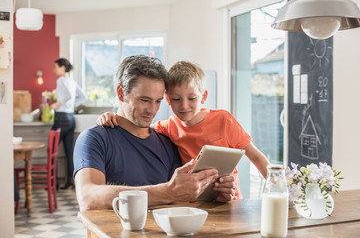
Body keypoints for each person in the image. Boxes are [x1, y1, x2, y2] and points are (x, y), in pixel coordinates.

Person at [73, 55, 235, 211]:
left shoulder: (167, 142)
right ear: (121, 93)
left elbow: (182, 199)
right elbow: (88, 197)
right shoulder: (95, 139)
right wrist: (167, 192)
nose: (152, 110)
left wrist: (215, 195)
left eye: (158, 101)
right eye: (144, 100)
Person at [98, 61, 270, 199]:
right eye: (176, 99)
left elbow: (255, 156)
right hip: (194, 203)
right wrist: (112, 116)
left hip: (229, 199)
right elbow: (136, 126)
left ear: (203, 96)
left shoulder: (224, 120)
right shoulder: (168, 126)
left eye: (192, 98)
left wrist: (277, 188)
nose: (184, 106)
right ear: (167, 99)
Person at [51, 58, 87, 189]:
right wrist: (72, 106)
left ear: (62, 68)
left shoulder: (61, 80)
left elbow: (69, 96)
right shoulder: (72, 81)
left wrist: (58, 103)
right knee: (69, 153)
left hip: (61, 118)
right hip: (70, 118)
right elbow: (83, 97)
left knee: (51, 150)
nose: (54, 70)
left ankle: (52, 183)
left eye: (55, 67)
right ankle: (70, 182)